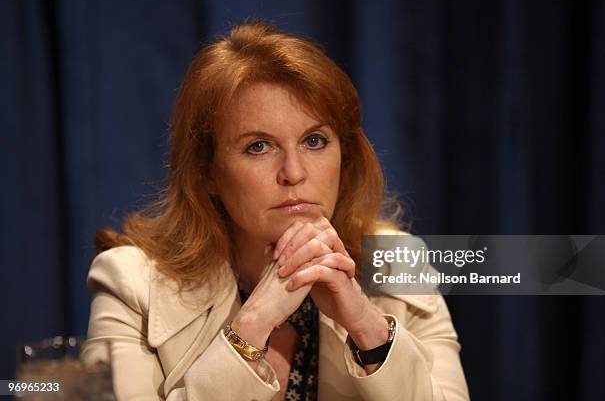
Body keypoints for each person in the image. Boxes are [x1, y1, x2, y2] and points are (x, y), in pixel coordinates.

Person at [81, 21, 469, 401]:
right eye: (258, 147)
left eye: (314, 141)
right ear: (208, 172)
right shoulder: (130, 285)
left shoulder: (399, 264)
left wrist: (367, 327)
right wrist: (251, 326)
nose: (294, 173)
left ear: (344, 156)